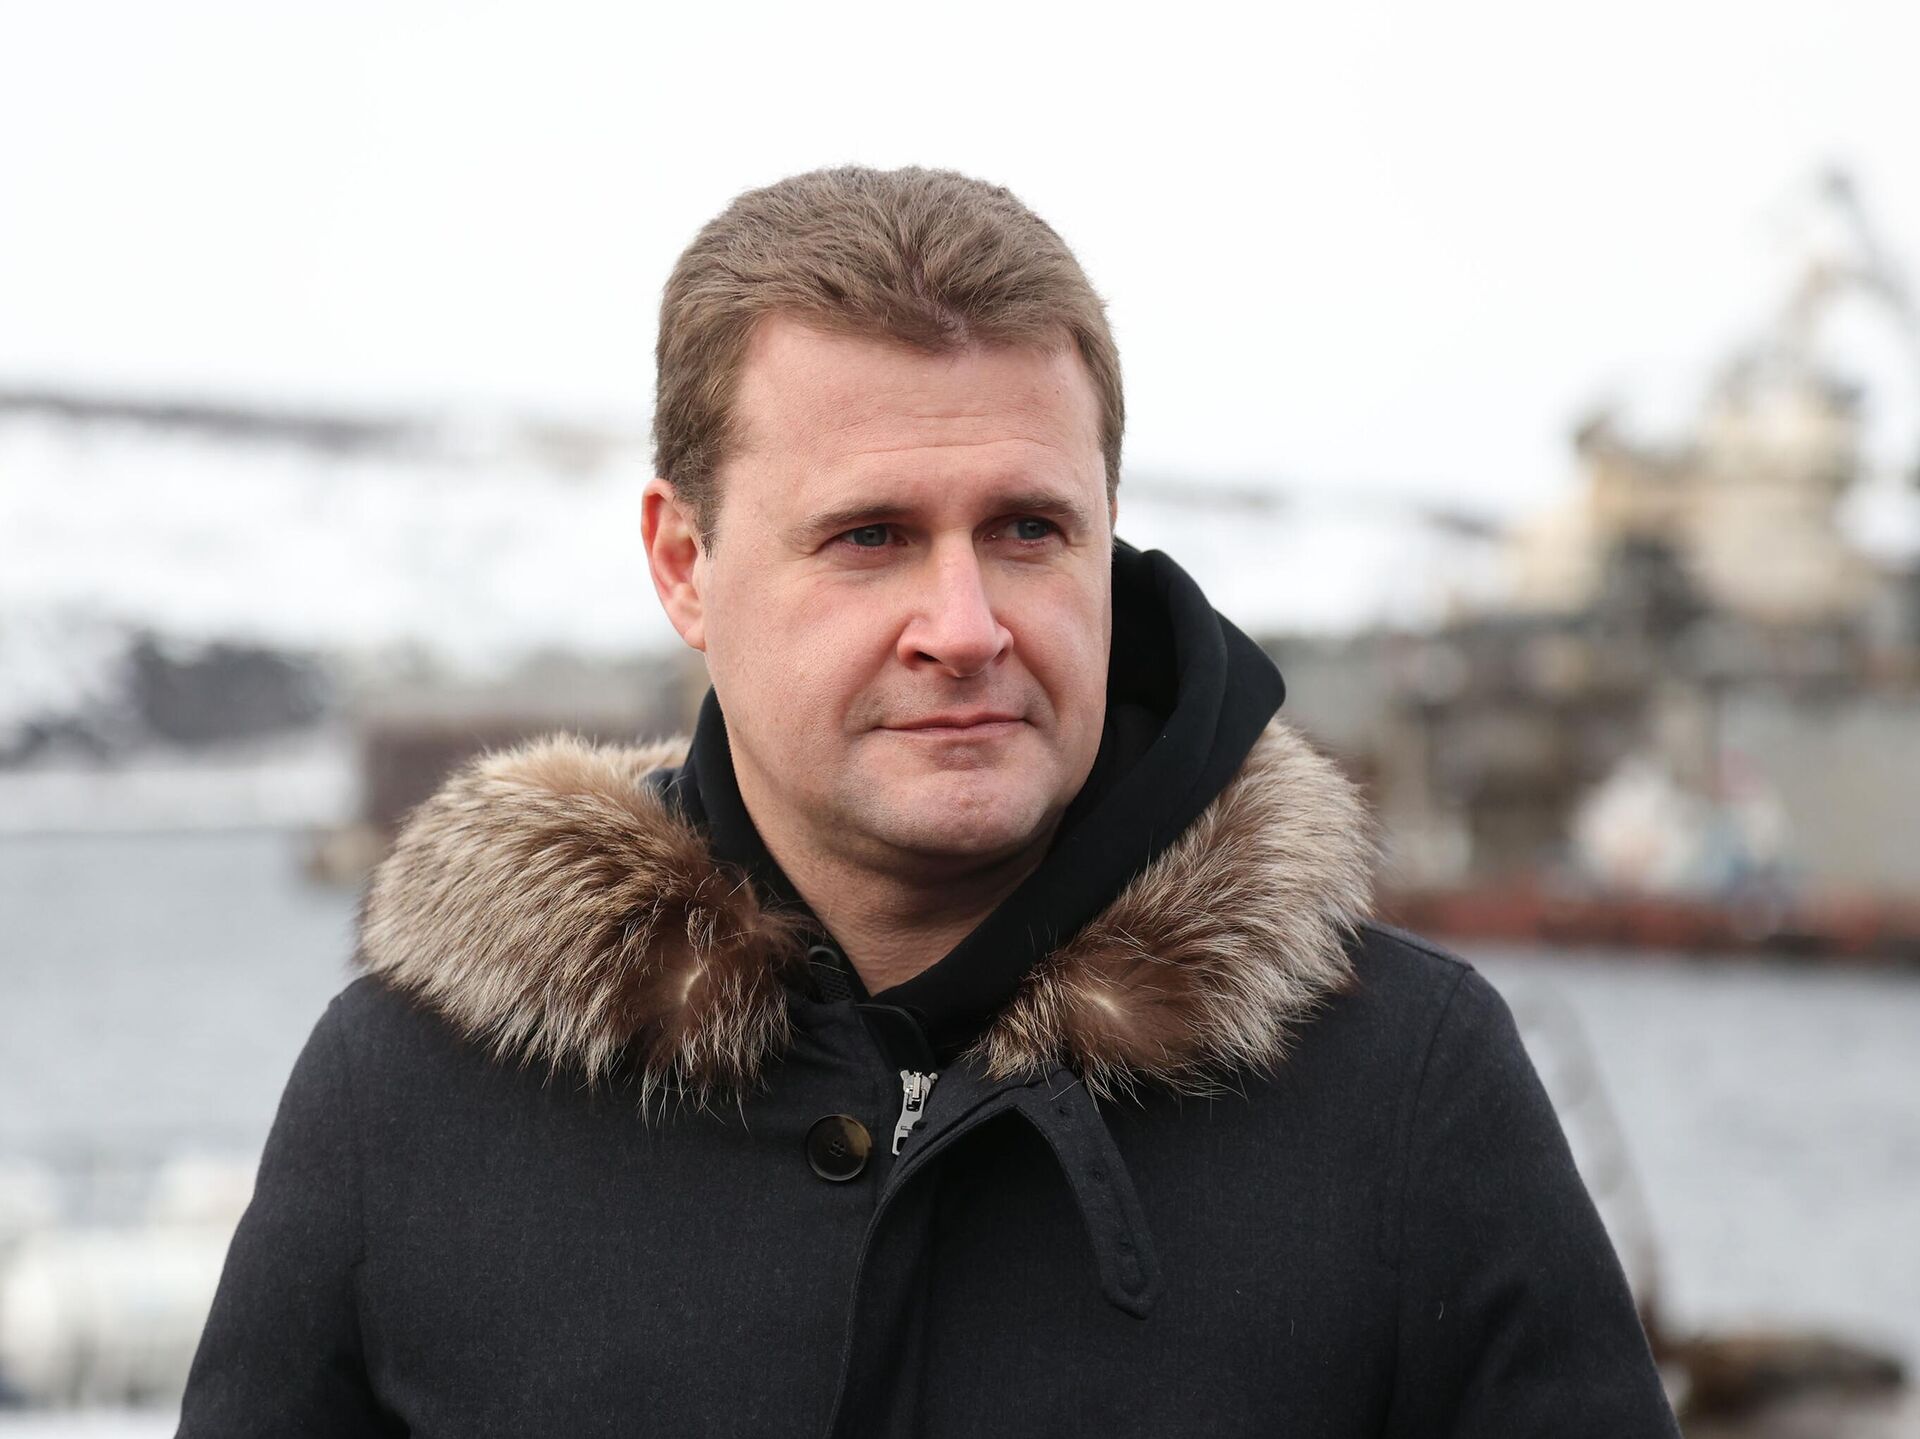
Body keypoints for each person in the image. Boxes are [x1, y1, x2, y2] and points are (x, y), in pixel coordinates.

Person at [177, 165, 1682, 1437]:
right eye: (870, 536)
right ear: (685, 564)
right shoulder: (412, 1095)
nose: (964, 627)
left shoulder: (1408, 1088)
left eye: (1027, 530)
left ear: (1108, 540)